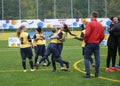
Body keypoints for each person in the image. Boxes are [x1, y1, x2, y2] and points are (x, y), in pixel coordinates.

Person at [83, 12, 104, 78]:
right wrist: (99, 42)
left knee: (86, 58)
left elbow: (87, 34)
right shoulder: (100, 25)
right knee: (97, 58)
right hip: (96, 43)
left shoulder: (90, 23)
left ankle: (88, 74)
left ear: (92, 16)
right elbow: (102, 36)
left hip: (89, 43)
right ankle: (96, 73)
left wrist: (85, 40)